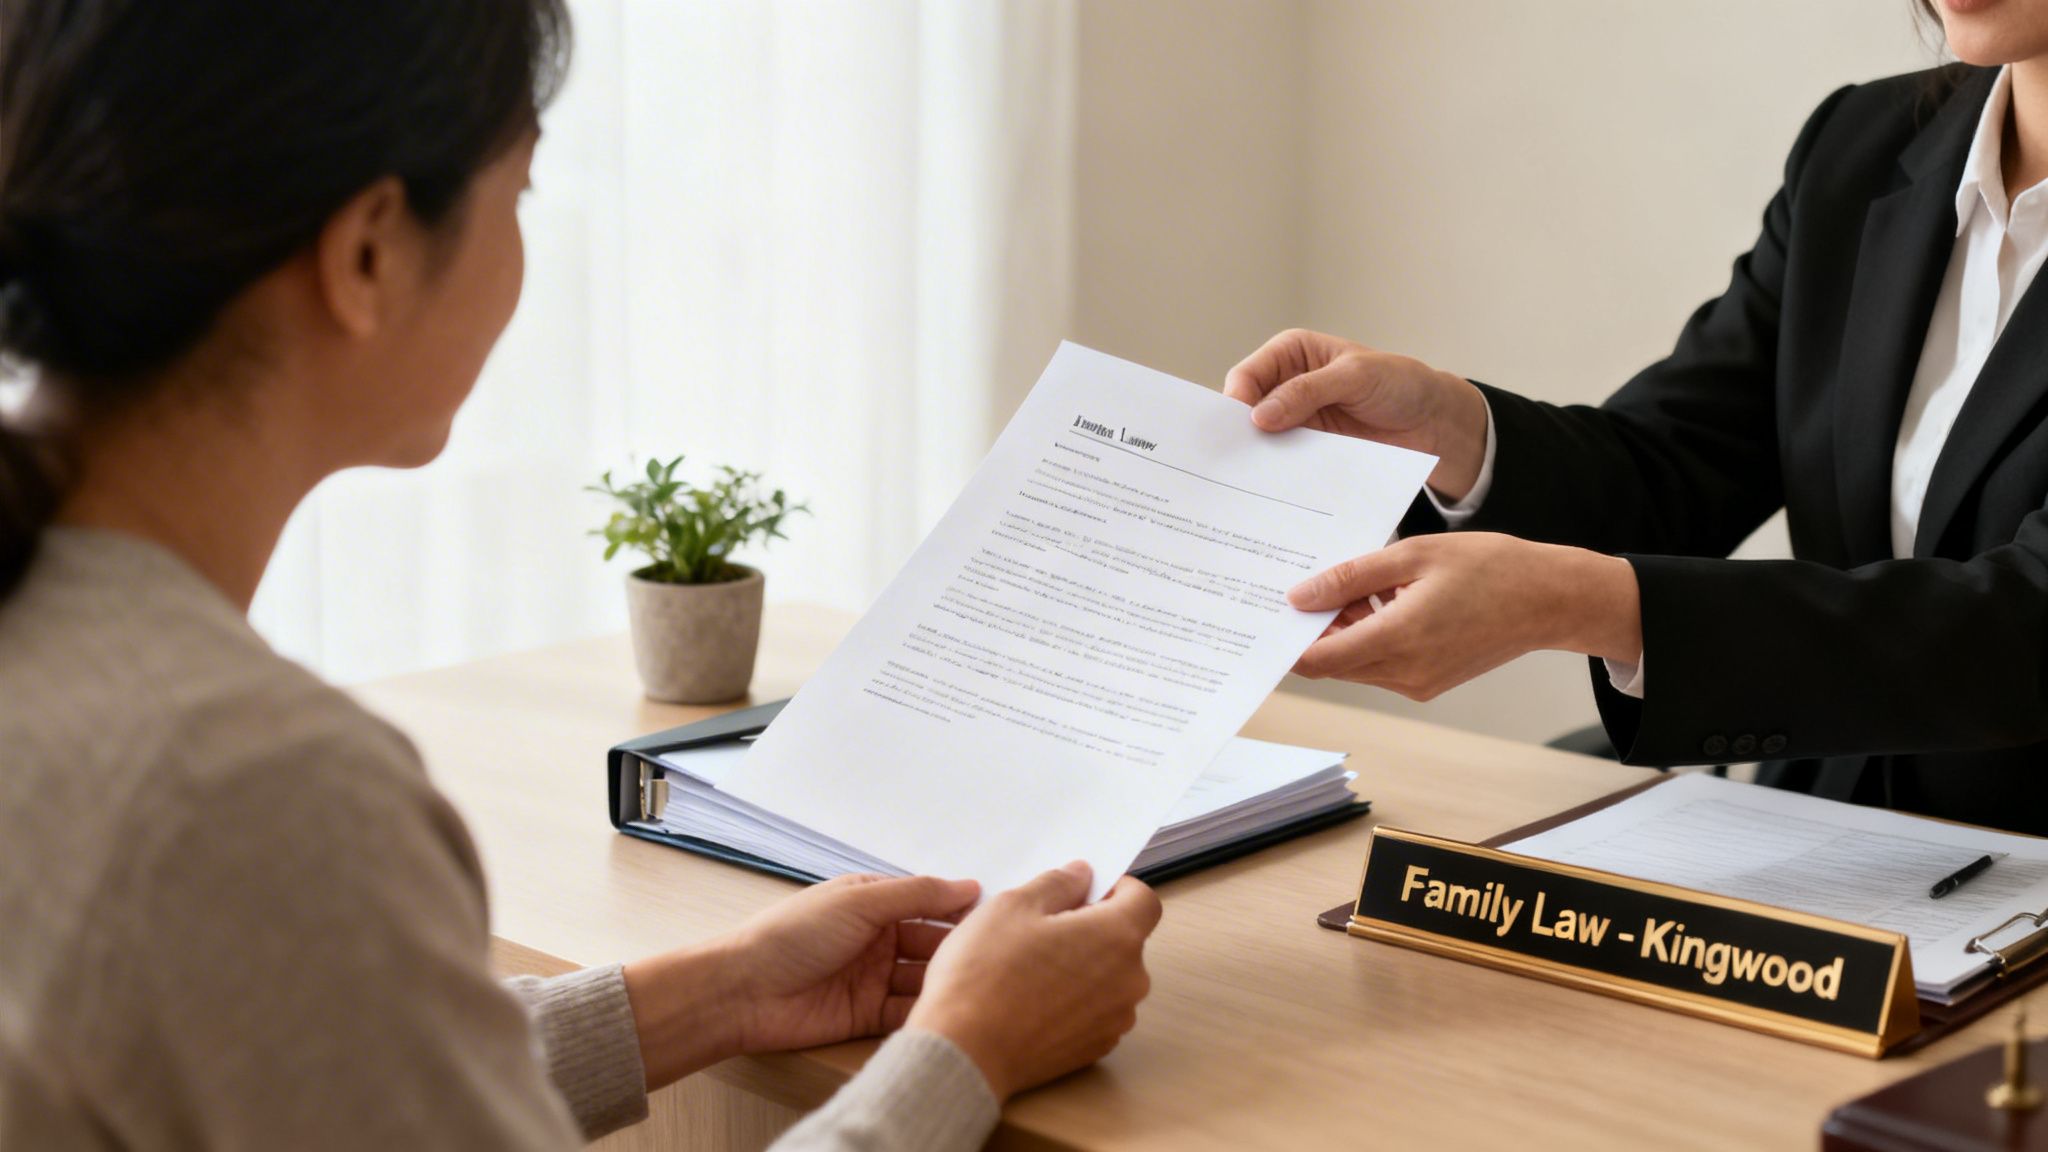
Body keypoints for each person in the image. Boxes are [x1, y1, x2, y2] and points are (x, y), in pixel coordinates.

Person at [0, 2, 1160, 1148]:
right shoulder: (253, 790)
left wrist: (720, 992)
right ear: (367, 254)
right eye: (519, 195)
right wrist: (963, 1048)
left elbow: (308, 1065)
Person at [1226, 0, 2048, 835]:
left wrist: (1585, 605)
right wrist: (1451, 428)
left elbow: (2024, 623)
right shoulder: (1863, 146)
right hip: (1823, 843)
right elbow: (1680, 459)